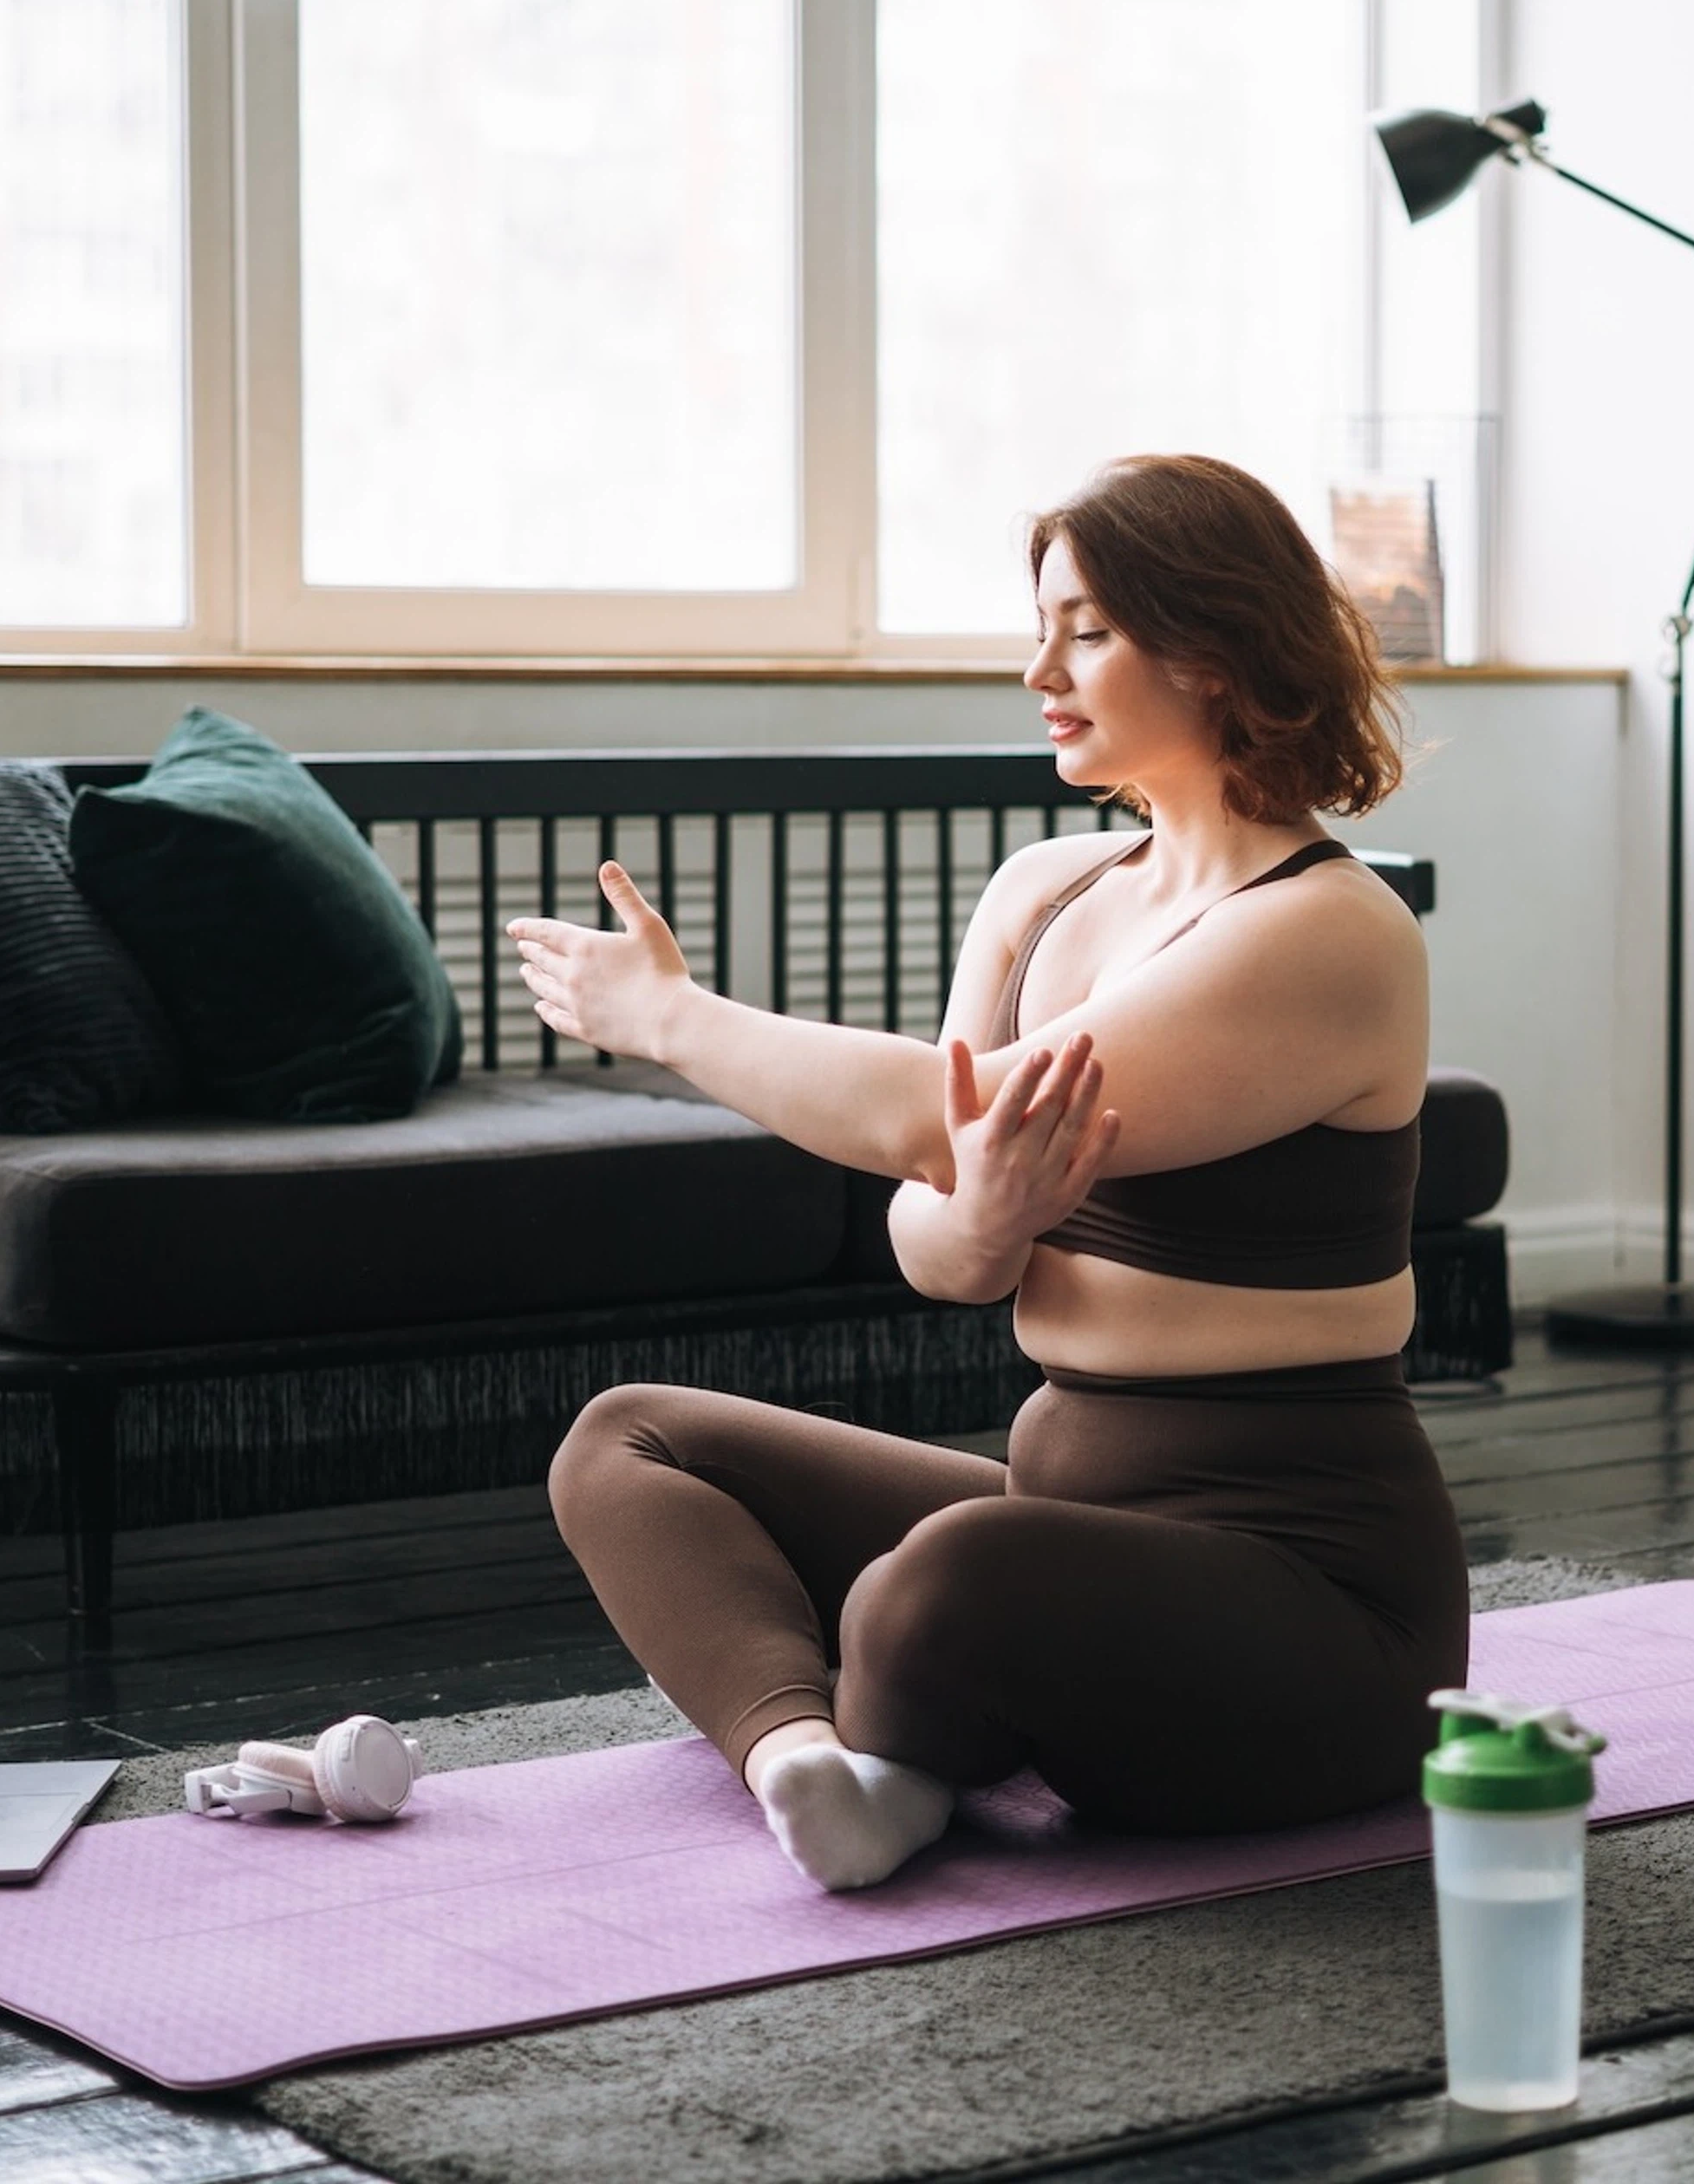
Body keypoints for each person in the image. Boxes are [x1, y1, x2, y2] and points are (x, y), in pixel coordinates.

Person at [506, 453, 1467, 1892]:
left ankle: (900, 1743)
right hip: (1068, 1517)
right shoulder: (1043, 892)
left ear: (1212, 648)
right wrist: (993, 1215)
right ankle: (814, 1765)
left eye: (1085, 629)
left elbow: (927, 1120)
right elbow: (941, 1244)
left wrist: (670, 1020)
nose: (1040, 668)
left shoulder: (1334, 932)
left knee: (942, 1578)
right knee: (628, 1442)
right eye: (1042, 625)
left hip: (1314, 1598)